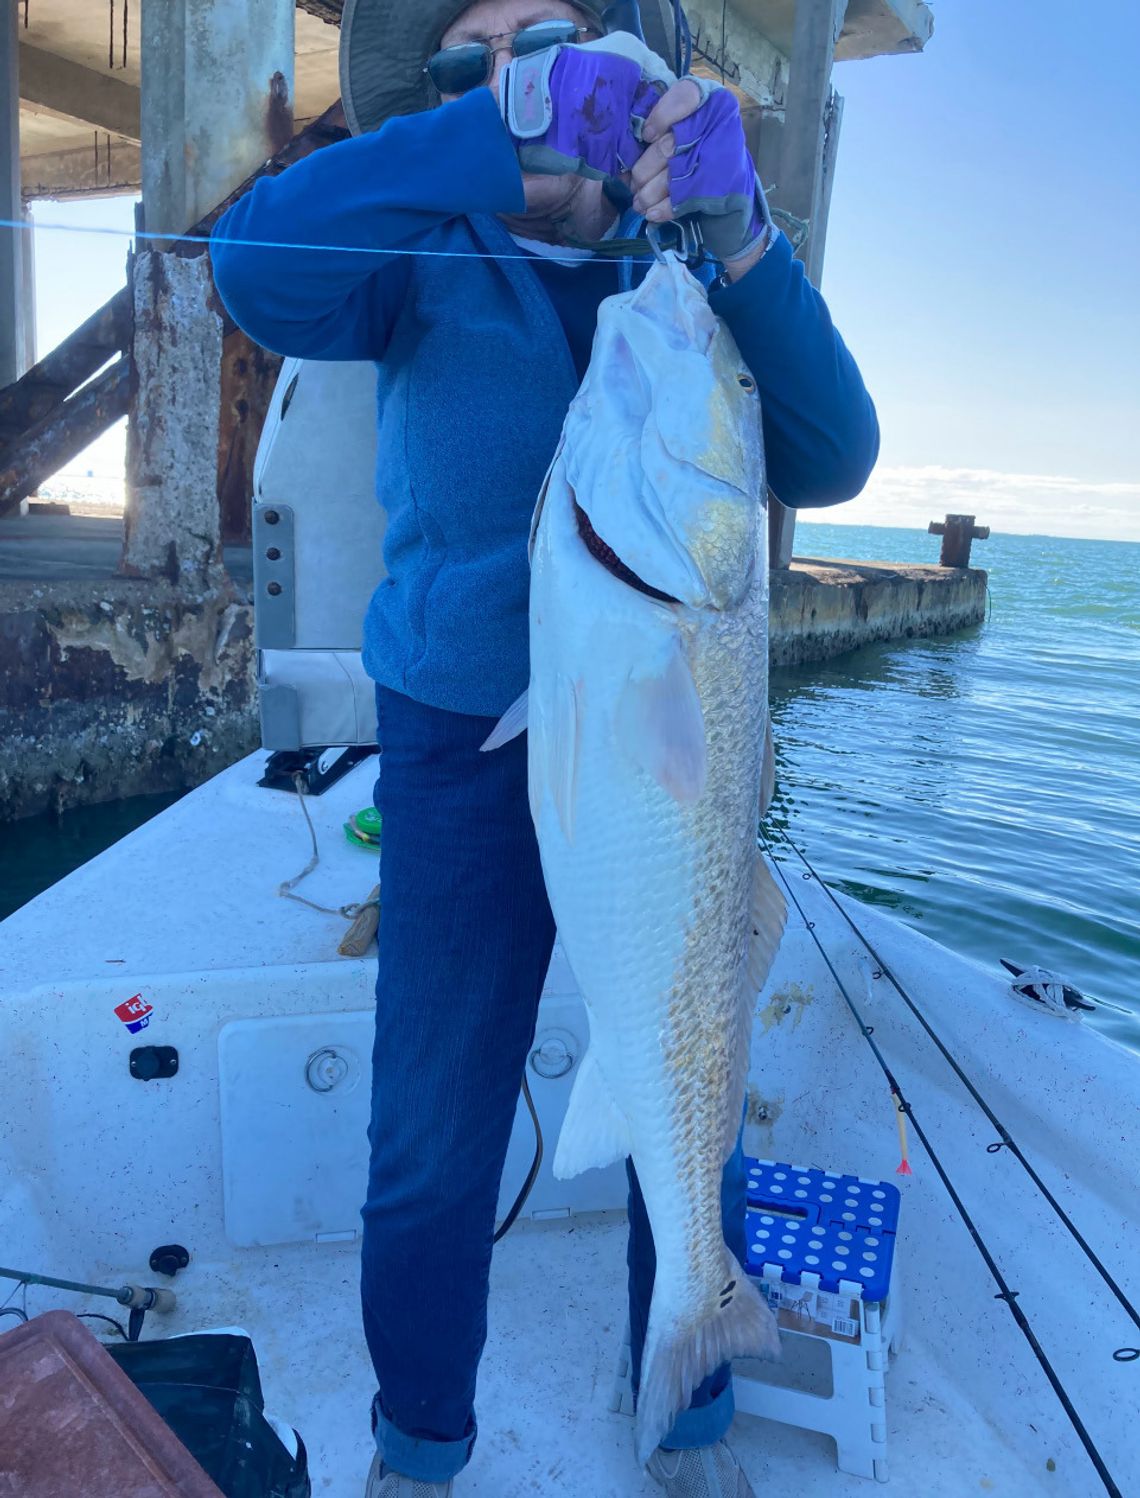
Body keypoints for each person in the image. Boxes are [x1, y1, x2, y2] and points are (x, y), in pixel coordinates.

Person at [211, 2, 879, 1494]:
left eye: (557, 39)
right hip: (460, 747)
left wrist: (745, 236)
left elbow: (835, 454)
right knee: (433, 1129)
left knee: (682, 1077)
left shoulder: (686, 273)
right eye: (481, 55)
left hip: (663, 764)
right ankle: (419, 1444)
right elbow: (250, 271)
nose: (525, 71)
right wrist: (482, 138)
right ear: (451, 96)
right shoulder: (417, 250)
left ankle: (691, 1401)